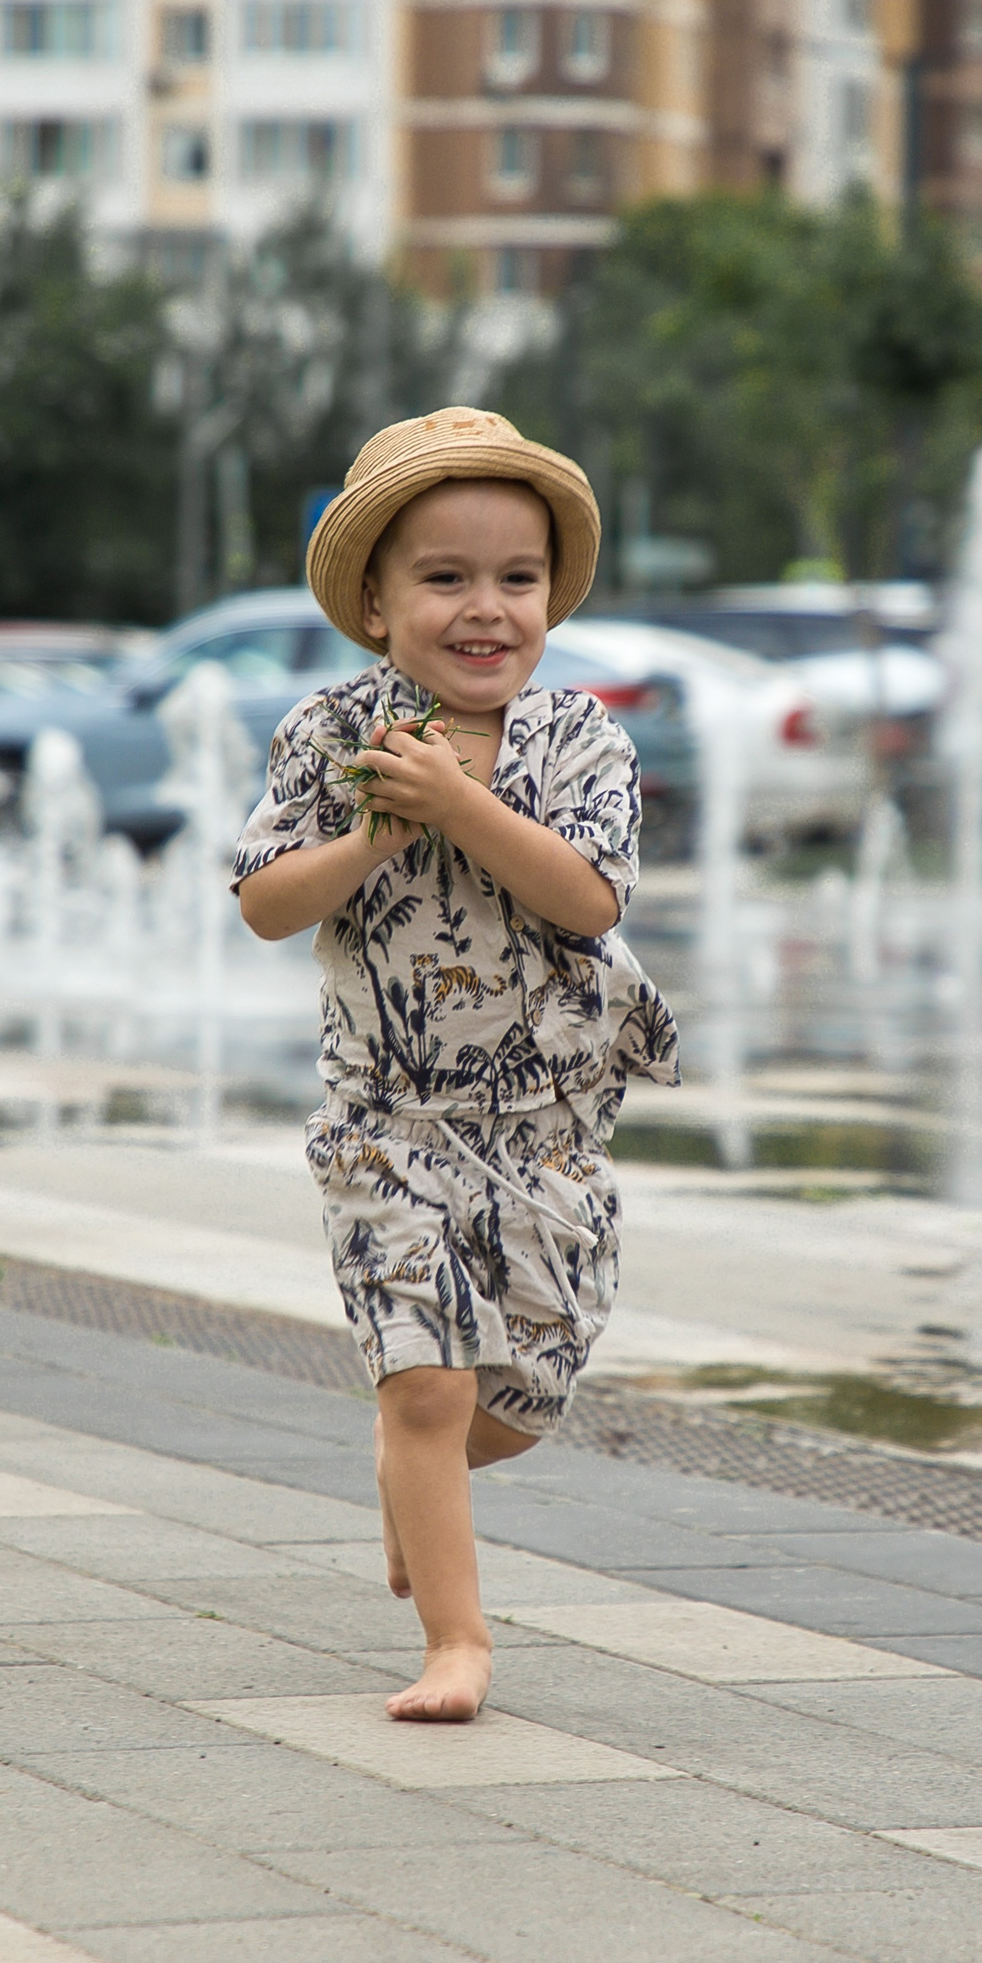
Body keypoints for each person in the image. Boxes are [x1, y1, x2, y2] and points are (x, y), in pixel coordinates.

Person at [234, 408, 678, 1723]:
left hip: (549, 1137)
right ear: (375, 600)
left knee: (525, 1393)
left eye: (516, 579)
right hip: (388, 1124)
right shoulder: (332, 733)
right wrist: (376, 834)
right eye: (444, 578)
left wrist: (463, 807)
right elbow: (265, 900)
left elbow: (588, 900)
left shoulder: (583, 742)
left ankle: (410, 1477)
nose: (485, 609)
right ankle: (458, 1642)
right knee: (426, 1384)